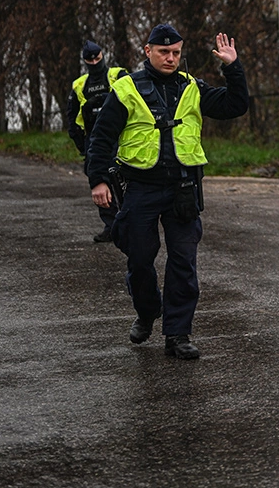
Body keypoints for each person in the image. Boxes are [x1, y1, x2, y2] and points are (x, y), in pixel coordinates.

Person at [87, 25, 248, 360]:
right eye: (164, 52)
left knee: (183, 262)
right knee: (139, 259)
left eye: (176, 52)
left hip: (183, 188)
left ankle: (178, 334)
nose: (171, 58)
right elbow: (101, 137)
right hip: (140, 187)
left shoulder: (192, 87)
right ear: (148, 51)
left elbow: (235, 105)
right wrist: (98, 180)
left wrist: (232, 67)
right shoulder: (127, 88)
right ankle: (148, 311)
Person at [67, 40, 129, 242]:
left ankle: (129, 224)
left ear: (103, 55)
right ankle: (111, 226)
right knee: (100, 183)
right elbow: (72, 118)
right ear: (84, 61)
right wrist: (82, 145)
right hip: (94, 141)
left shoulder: (118, 75)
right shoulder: (79, 85)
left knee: (125, 183)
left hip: (121, 139)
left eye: (97, 58)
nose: (94, 62)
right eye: (90, 60)